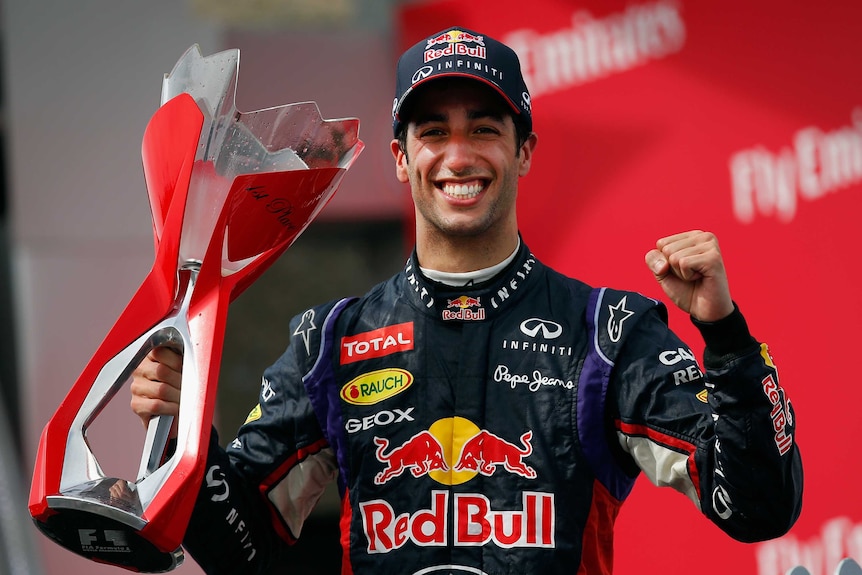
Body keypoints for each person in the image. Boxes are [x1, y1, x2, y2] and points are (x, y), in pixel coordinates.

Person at [131, 26, 802, 575]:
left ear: (525, 150)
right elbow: (242, 552)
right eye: (433, 132)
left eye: (483, 129)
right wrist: (180, 432)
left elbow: (756, 507)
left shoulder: (608, 332)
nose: (457, 155)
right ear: (400, 156)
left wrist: (727, 334)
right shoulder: (329, 341)